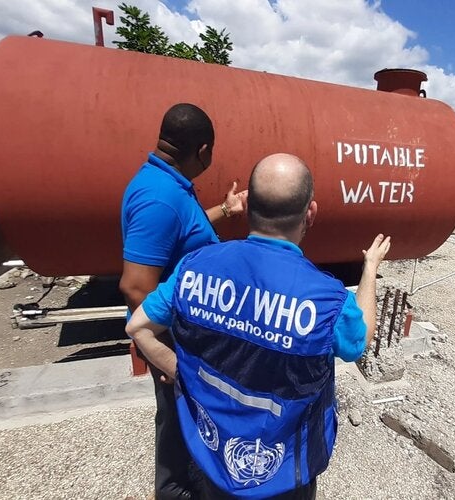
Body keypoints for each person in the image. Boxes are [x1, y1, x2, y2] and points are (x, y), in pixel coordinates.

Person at [126, 153, 391, 499]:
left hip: (213, 459)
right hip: (286, 473)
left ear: (248, 208)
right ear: (310, 212)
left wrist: (181, 370)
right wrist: (369, 269)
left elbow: (138, 328)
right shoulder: (328, 299)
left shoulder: (193, 266)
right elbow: (360, 342)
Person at [120, 103, 247, 500]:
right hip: (176, 346)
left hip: (183, 339)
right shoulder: (159, 198)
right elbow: (136, 287)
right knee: (175, 429)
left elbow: (185, 232)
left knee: (189, 422)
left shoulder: (169, 185)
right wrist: (170, 351)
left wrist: (225, 211)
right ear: (203, 150)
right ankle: (174, 493)